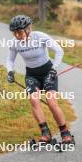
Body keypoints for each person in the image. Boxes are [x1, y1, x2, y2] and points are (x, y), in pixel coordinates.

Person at [6, 15, 73, 144]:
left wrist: (54, 68)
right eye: (14, 33)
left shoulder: (40, 37)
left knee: (52, 102)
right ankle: (45, 134)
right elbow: (10, 60)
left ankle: (65, 133)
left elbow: (59, 50)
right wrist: (10, 71)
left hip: (48, 71)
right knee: (34, 100)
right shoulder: (15, 44)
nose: (17, 35)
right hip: (32, 75)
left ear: (28, 29)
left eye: (19, 32)